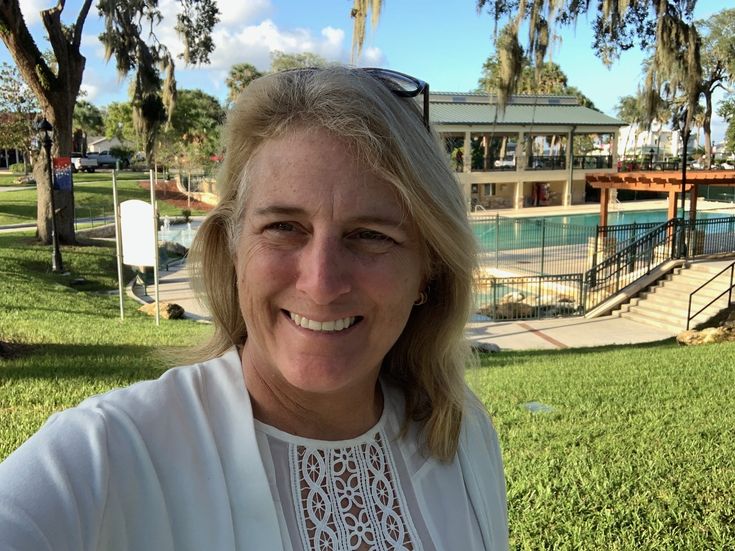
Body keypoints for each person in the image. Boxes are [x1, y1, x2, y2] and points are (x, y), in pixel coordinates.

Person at [0, 67, 508, 550]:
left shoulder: (461, 437)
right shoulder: (107, 455)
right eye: (284, 227)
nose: (321, 283)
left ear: (429, 270)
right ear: (233, 249)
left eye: (371, 235)